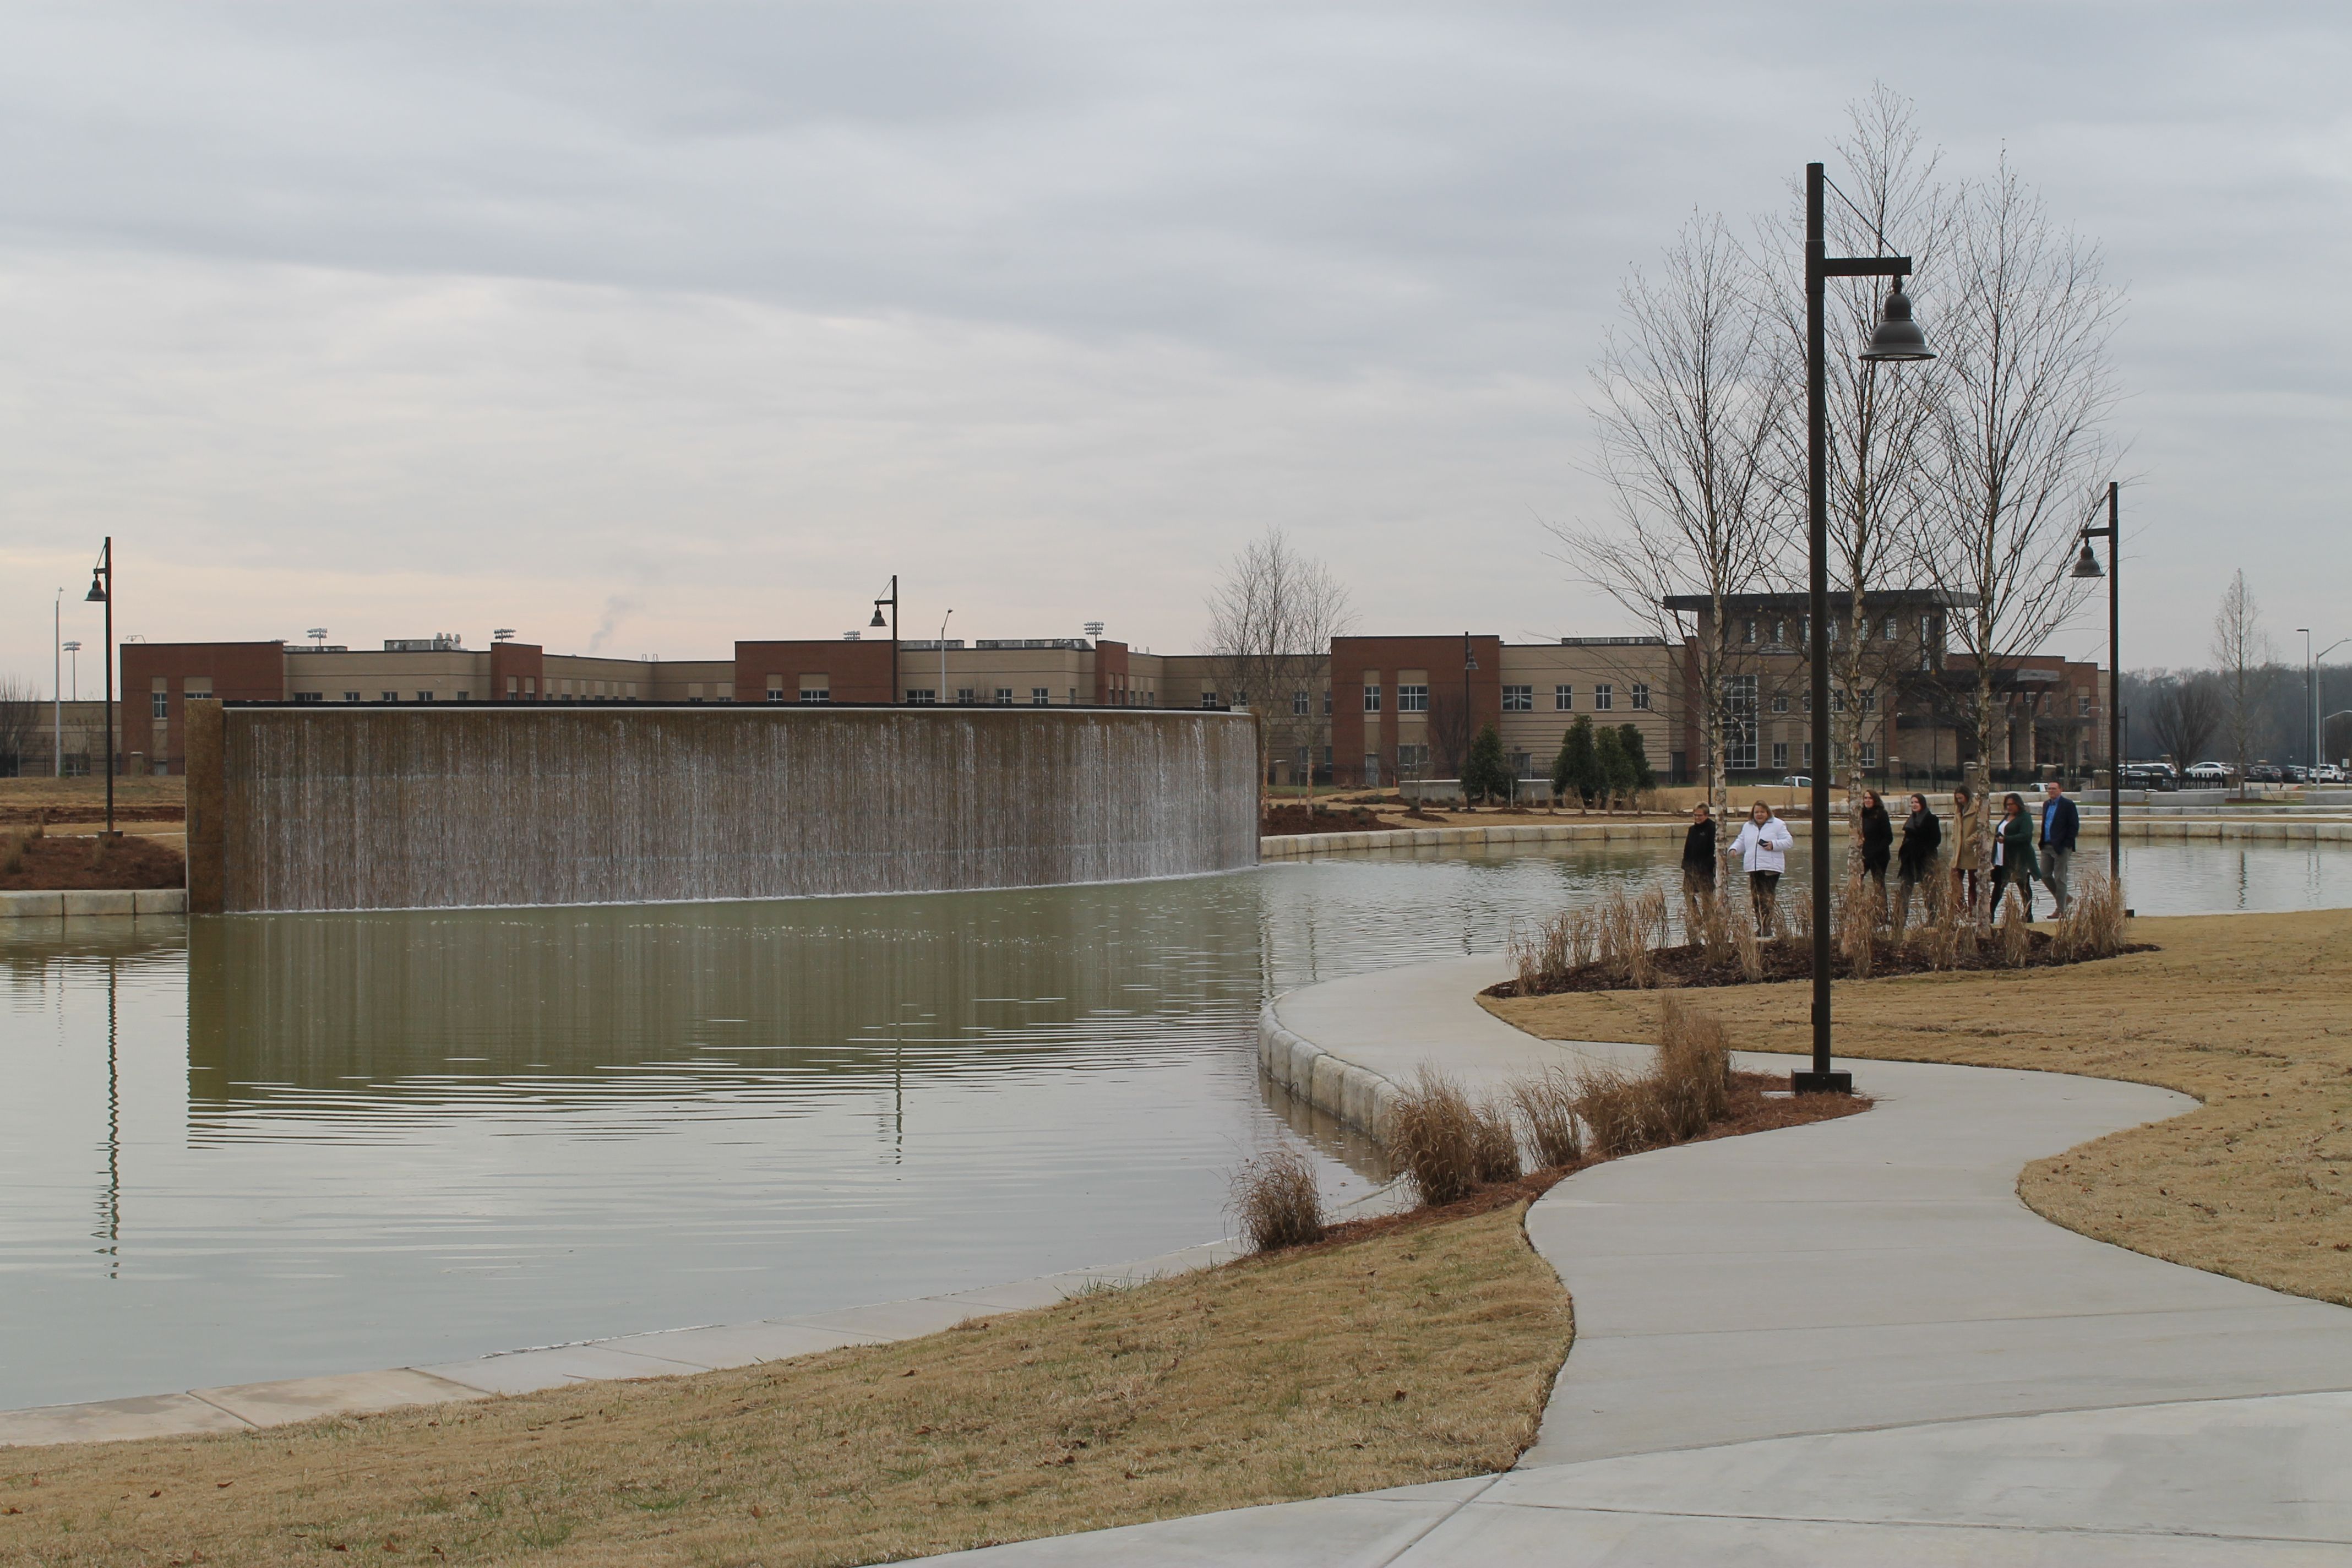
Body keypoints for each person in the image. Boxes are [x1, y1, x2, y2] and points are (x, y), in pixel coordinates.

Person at [1729, 799, 1794, 936]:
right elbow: (1741, 840)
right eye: (1757, 812)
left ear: (1768, 813)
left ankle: (1767, 927)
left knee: (1767, 897)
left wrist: (1773, 845)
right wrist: (1734, 849)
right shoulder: (1748, 826)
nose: (1759, 815)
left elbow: (1789, 842)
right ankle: (1762, 927)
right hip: (1753, 867)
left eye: (1762, 812)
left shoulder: (1778, 825)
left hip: (1771, 867)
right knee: (1756, 899)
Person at [1894, 792, 1942, 929]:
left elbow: (1936, 840)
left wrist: (1923, 850)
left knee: (1929, 890)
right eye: (1912, 802)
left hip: (1925, 860)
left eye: (1917, 802)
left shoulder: (1931, 819)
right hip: (1909, 860)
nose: (1914, 805)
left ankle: (1933, 920)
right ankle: (1900, 922)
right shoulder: (1911, 820)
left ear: (1922, 804)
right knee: (1905, 890)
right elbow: (1907, 838)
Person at [1992, 791, 2039, 922]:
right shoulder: (2007, 816)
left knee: (2023, 886)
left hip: (2019, 858)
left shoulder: (2025, 817)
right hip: (2002, 858)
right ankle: (1990, 914)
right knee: (1999, 887)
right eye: (2007, 804)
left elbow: (2026, 836)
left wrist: (2006, 839)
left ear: (2019, 804)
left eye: (2012, 804)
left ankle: (2028, 915)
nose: (2009, 807)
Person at [2039, 778, 2080, 915]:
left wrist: (2067, 844)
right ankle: (2065, 898)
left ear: (2061, 790)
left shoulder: (2068, 805)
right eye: (2049, 789)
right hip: (2046, 845)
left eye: (2054, 789)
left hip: (2061, 847)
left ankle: (2060, 910)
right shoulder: (2046, 805)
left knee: (2060, 878)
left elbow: (2074, 826)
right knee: (2044, 875)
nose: (2051, 791)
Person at [1950, 786, 1985, 914]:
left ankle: (1973, 908)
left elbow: (1982, 828)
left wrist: (1970, 841)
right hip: (1959, 850)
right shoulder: (1959, 809)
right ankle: (1960, 906)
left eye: (1961, 798)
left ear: (1967, 796)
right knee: (1955, 879)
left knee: (1973, 882)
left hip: (1971, 851)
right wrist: (1954, 837)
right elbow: (1955, 825)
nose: (1959, 801)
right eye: (1957, 799)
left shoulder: (1977, 808)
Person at [1680, 802, 1718, 922]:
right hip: (1691, 868)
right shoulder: (1692, 830)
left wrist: (1710, 866)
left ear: (1707, 815)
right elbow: (1687, 848)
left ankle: (1709, 921)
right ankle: (1697, 918)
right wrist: (1685, 865)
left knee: (1707, 896)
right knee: (1688, 893)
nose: (1697, 818)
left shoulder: (1713, 828)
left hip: (1706, 869)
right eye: (1695, 815)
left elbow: (1715, 850)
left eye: (1700, 815)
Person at [1857, 789, 1893, 908]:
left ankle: (1882, 913)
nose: (1867, 801)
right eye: (1865, 798)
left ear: (1875, 800)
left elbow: (1888, 838)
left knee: (1879, 884)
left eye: (1870, 798)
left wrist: (1876, 851)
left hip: (1879, 856)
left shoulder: (1881, 814)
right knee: (1857, 879)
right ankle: (1858, 908)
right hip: (1865, 855)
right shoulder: (1861, 814)